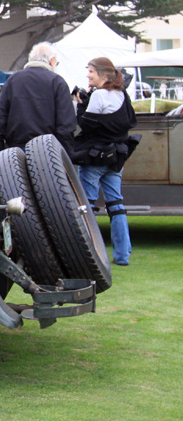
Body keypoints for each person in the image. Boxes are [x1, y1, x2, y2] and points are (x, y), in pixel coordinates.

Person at [72, 57, 139, 266]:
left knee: (88, 205)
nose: (88, 75)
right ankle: (122, 255)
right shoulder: (121, 94)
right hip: (116, 157)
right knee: (116, 204)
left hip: (95, 158)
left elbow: (87, 125)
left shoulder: (99, 95)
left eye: (90, 71)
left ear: (102, 74)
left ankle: (88, 253)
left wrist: (80, 105)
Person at [0, 42, 76, 154]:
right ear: (52, 61)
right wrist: (65, 157)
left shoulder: (13, 81)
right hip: (48, 153)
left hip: (16, 152)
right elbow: (66, 125)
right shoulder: (57, 82)